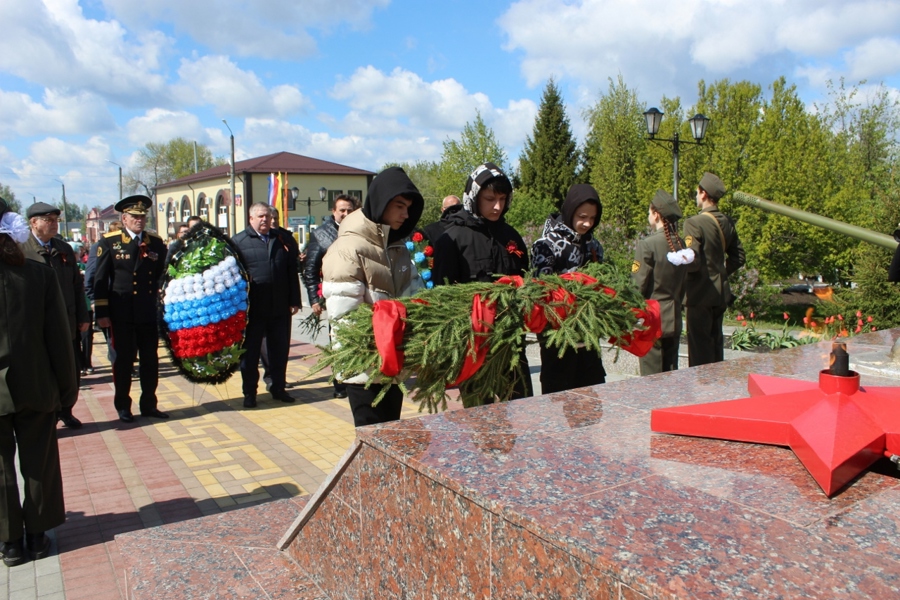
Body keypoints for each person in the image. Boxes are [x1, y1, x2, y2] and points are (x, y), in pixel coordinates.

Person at [0, 199, 77, 567]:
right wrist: (67, 391)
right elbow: (59, 341)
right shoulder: (38, 274)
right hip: (36, 384)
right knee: (39, 461)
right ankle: (37, 534)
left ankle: (9, 542)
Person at [322, 167, 423, 426]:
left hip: (393, 366)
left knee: (391, 438)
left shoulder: (397, 247)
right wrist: (385, 341)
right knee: (372, 444)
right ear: (381, 202)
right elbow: (346, 319)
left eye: (408, 207)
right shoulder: (346, 249)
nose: (405, 214)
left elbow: (416, 297)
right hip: (365, 370)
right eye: (399, 206)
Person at [432, 162, 533, 401]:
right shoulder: (453, 238)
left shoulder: (511, 237)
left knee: (522, 409)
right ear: (474, 196)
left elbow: (526, 279)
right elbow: (442, 294)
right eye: (489, 199)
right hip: (474, 346)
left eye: (502, 199)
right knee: (480, 421)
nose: (497, 206)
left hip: (511, 344)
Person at [93, 195, 169, 422]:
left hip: (146, 312)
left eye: (142, 216)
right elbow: (101, 279)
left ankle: (149, 404)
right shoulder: (110, 242)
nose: (140, 220)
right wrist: (102, 313)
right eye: (135, 217)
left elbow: (161, 277)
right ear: (124, 219)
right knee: (124, 361)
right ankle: (123, 406)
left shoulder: (155, 242)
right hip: (122, 313)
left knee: (150, 361)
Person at [20, 202, 90, 429]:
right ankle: (47, 412)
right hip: (38, 325)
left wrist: (82, 315)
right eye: (48, 220)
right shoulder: (21, 249)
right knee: (43, 370)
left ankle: (66, 410)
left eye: (55, 220)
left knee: (69, 369)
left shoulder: (63, 248)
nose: (53, 224)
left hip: (66, 320)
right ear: (33, 222)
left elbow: (76, 285)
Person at [531, 184, 606, 393]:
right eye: (582, 216)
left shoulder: (594, 245)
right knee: (559, 401)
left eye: (592, 218)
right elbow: (543, 291)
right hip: (558, 339)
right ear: (570, 211)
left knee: (592, 400)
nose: (587, 223)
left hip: (589, 338)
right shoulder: (546, 244)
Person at [233, 203, 301, 408]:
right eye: (261, 216)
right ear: (251, 218)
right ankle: (249, 393)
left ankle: (278, 388)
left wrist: (295, 300)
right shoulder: (239, 241)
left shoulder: (281, 238)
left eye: (268, 216)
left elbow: (291, 271)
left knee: (279, 350)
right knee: (250, 353)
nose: (265, 220)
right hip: (252, 309)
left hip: (279, 306)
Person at [683, 172, 745, 366]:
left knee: (699, 352)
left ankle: (703, 393)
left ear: (703, 193)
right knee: (716, 348)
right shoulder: (727, 222)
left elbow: (692, 260)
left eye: (697, 192)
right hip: (720, 295)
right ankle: (717, 389)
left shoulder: (694, 223)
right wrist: (720, 273)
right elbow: (739, 257)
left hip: (699, 295)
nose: (695, 195)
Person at [301, 194, 359, 398]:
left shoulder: (360, 230)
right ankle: (340, 384)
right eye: (342, 210)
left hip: (359, 295)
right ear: (334, 212)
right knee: (339, 340)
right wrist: (314, 299)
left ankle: (358, 380)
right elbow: (310, 269)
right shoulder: (322, 234)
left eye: (350, 210)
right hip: (334, 296)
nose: (346, 213)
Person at [632, 190, 691, 375]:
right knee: (671, 374)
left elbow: (638, 285)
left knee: (652, 377)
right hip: (673, 317)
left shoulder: (648, 245)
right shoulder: (681, 245)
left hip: (653, 318)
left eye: (649, 212)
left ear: (656, 214)